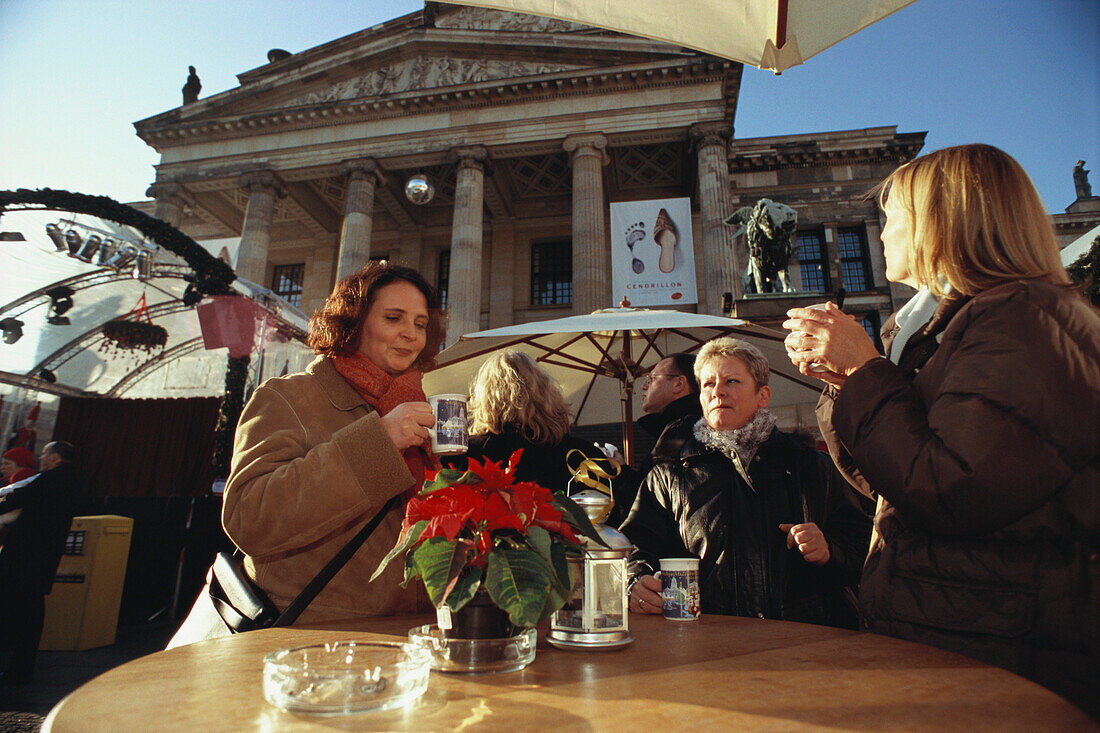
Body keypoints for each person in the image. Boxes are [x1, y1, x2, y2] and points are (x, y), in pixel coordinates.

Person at [783, 144, 1099, 714]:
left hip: (1001, 651)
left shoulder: (1020, 319)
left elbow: (952, 488)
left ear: (943, 219)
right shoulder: (978, 322)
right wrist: (843, 382)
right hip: (970, 630)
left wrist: (865, 369)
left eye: (894, 214)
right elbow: (889, 482)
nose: (882, 231)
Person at [220, 261, 444, 624]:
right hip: (317, 638)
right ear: (354, 323)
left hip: (413, 631)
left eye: (420, 324)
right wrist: (379, 443)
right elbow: (248, 517)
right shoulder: (289, 396)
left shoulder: (416, 402)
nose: (411, 335)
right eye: (393, 318)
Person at [621, 338, 871, 628]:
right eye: (707, 384)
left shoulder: (811, 465)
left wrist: (830, 550)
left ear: (762, 395)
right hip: (706, 643)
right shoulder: (668, 476)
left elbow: (865, 545)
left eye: (731, 381)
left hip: (806, 642)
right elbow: (634, 546)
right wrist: (636, 581)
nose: (718, 392)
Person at [443, 350, 604, 493]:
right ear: (546, 391)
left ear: (485, 398)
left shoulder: (463, 455)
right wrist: (619, 468)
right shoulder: (579, 454)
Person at [0, 441, 80, 684]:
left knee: (22, 613)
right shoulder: (72, 482)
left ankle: (18, 670)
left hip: (25, 557)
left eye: (45, 453)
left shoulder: (51, 479)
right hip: (43, 558)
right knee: (31, 612)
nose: (42, 457)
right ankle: (21, 668)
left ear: (55, 457)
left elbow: (19, 498)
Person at [606, 353, 702, 526]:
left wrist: (619, 471)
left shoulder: (679, 429)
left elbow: (648, 499)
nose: (644, 387)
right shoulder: (691, 424)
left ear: (679, 383)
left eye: (652, 379)